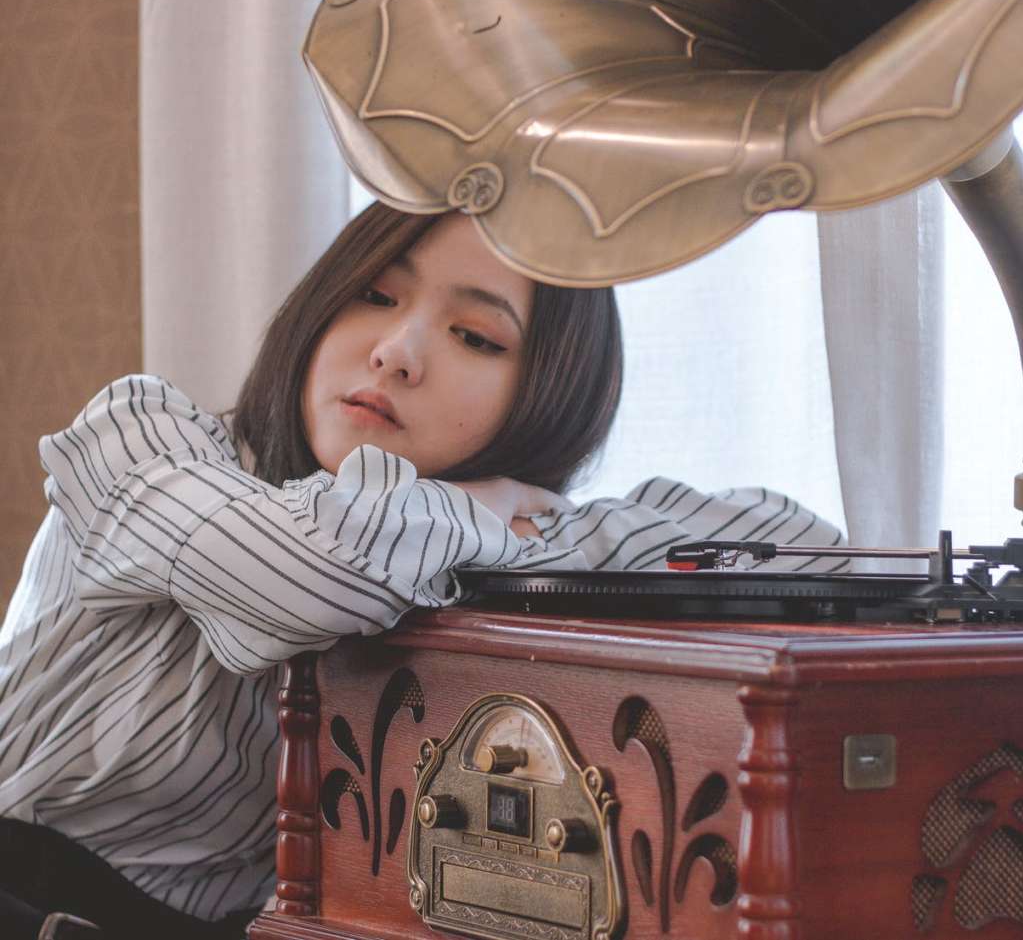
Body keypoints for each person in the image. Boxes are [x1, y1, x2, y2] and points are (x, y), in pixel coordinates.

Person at [0, 203, 844, 939]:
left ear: (543, 399)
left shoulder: (446, 549)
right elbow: (317, 573)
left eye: (474, 336)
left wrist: (526, 520)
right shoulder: (138, 435)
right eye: (375, 294)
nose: (397, 352)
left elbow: (806, 541)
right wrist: (491, 514)